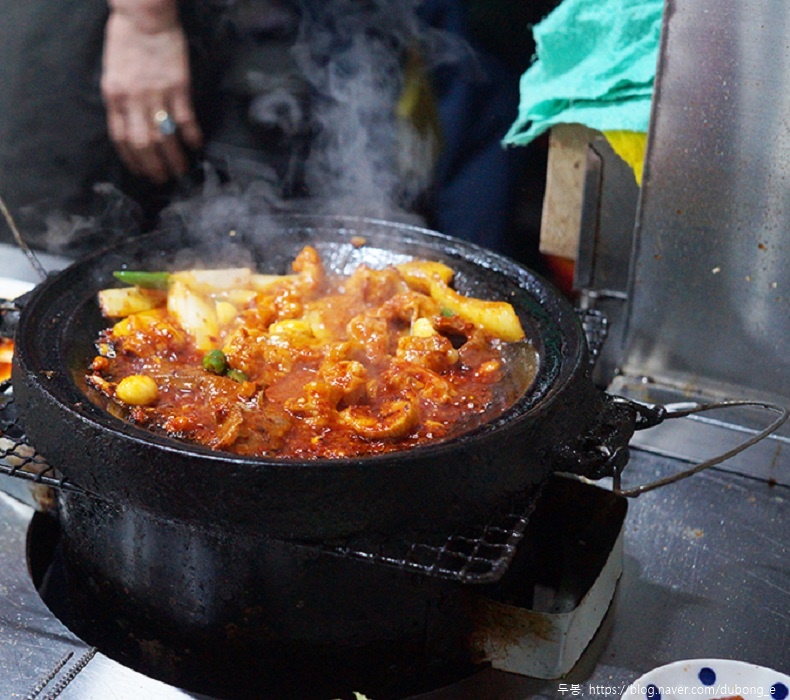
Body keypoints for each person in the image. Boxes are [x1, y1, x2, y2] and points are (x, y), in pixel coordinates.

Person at [0, 0, 553, 263]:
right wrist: (144, 19)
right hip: (103, 26)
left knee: (237, 231)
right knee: (60, 249)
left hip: (283, 22)